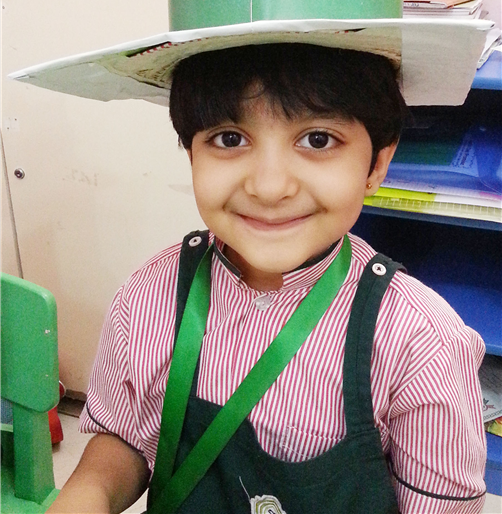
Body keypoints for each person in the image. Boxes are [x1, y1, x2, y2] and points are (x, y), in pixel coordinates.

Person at [47, 43, 486, 514]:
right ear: (191, 153)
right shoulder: (148, 297)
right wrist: (86, 496)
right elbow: (125, 438)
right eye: (229, 139)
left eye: (317, 140)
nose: (269, 187)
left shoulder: (421, 343)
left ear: (376, 164)